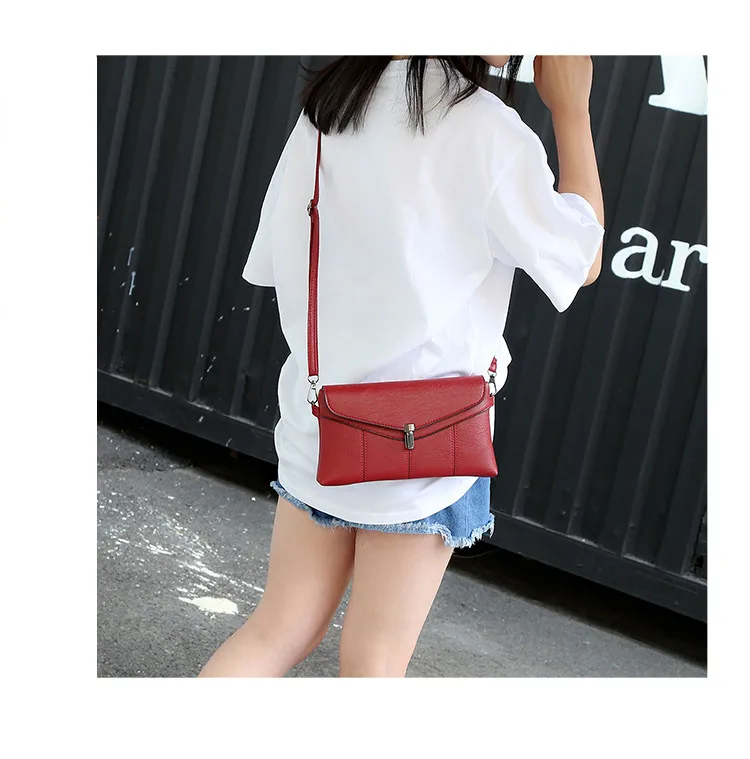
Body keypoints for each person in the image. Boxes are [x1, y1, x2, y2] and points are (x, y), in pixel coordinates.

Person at [199, 55, 604, 678]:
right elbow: (580, 258)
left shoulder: (331, 106)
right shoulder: (488, 131)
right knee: (375, 663)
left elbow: (278, 261)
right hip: (429, 447)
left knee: (275, 631)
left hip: (320, 426)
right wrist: (572, 113)